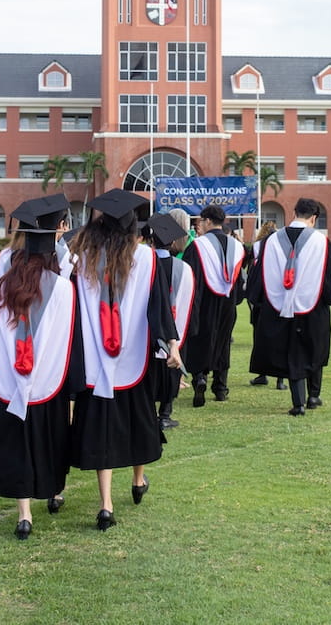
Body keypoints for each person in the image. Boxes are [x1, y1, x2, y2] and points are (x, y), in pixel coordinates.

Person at [0, 195, 83, 540]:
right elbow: (70, 342)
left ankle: (24, 514)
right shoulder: (63, 289)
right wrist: (73, 387)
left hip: (7, 384)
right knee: (46, 444)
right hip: (49, 386)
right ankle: (52, 491)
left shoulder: (1, 287)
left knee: (17, 444)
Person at [68, 189, 179, 530]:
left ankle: (105, 504)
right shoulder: (145, 258)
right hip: (134, 358)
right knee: (136, 422)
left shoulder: (82, 257)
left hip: (93, 359)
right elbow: (159, 305)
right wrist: (172, 345)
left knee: (102, 428)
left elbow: (71, 308)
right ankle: (137, 479)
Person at [247, 198, 331, 416]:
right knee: (314, 349)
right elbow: (330, 272)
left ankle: (298, 403)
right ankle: (313, 396)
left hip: (278, 306)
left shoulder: (271, 240)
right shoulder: (322, 242)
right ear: (314, 218)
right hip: (313, 306)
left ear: (294, 212)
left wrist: (261, 300)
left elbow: (259, 273)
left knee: (292, 352)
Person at [180, 204, 245, 407]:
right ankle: (220, 387)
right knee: (223, 342)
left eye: (201, 220)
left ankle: (200, 377)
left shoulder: (197, 246)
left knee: (201, 339)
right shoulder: (237, 246)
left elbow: (190, 278)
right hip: (228, 302)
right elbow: (240, 281)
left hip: (203, 302)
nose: (199, 224)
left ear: (208, 221)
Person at [146, 213, 195, 430]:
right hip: (175, 325)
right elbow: (190, 300)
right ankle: (165, 413)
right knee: (171, 368)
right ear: (173, 241)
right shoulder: (183, 268)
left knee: (149, 371)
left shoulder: (144, 264)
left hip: (149, 329)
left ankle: (147, 411)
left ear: (151, 239)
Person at [245, 221, 286, 390]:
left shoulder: (257, 250)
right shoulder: (283, 252)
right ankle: (280, 379)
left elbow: (251, 276)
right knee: (281, 339)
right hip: (279, 301)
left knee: (260, 338)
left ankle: (262, 374)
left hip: (262, 301)